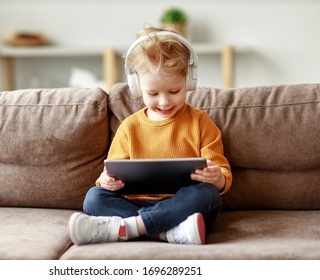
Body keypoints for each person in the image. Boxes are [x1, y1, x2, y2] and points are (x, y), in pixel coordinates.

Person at [68, 26, 232, 246]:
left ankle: (132, 228)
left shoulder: (201, 122)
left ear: (189, 82)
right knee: (94, 197)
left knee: (207, 196)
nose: (164, 102)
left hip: (181, 206)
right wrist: (106, 181)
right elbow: (109, 174)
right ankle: (166, 232)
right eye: (153, 93)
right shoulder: (129, 127)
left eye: (174, 91)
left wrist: (217, 178)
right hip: (141, 206)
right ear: (137, 87)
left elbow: (222, 173)